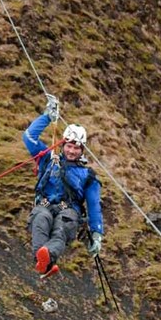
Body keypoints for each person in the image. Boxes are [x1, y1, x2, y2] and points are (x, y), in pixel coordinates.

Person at [22, 94, 104, 278]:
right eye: (69, 146)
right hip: (44, 204)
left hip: (69, 211)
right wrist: (46, 117)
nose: (72, 151)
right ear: (63, 144)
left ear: (82, 150)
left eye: (76, 148)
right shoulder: (47, 158)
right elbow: (28, 137)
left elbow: (93, 205)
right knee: (40, 219)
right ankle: (44, 262)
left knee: (61, 229)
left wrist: (97, 233)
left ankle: (47, 258)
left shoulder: (88, 176)